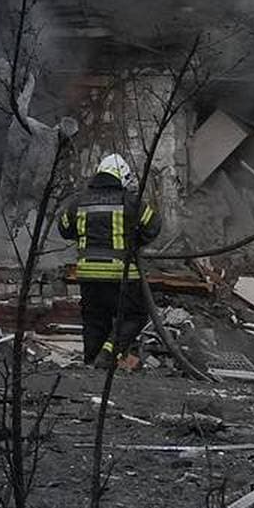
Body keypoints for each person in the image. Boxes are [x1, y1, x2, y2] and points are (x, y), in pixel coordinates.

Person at [57, 154, 161, 368]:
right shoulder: (131, 202)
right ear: (122, 177)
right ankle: (108, 353)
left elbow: (64, 228)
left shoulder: (78, 201)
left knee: (95, 319)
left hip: (88, 275)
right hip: (120, 274)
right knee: (135, 316)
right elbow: (153, 226)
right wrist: (135, 239)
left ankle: (91, 364)